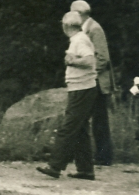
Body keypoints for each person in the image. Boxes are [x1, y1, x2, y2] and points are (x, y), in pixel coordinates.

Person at [37, 12, 99, 181]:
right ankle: (86, 170)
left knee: (68, 127)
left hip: (82, 88)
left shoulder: (79, 40)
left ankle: (55, 166)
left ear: (66, 26)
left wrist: (72, 61)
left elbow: (89, 61)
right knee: (81, 129)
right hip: (82, 87)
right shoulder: (79, 39)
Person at [70, 0, 115, 166]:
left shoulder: (95, 29)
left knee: (97, 120)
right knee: (92, 119)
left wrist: (89, 72)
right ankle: (99, 156)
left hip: (97, 82)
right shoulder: (85, 29)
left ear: (80, 14)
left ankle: (103, 157)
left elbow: (103, 58)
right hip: (91, 81)